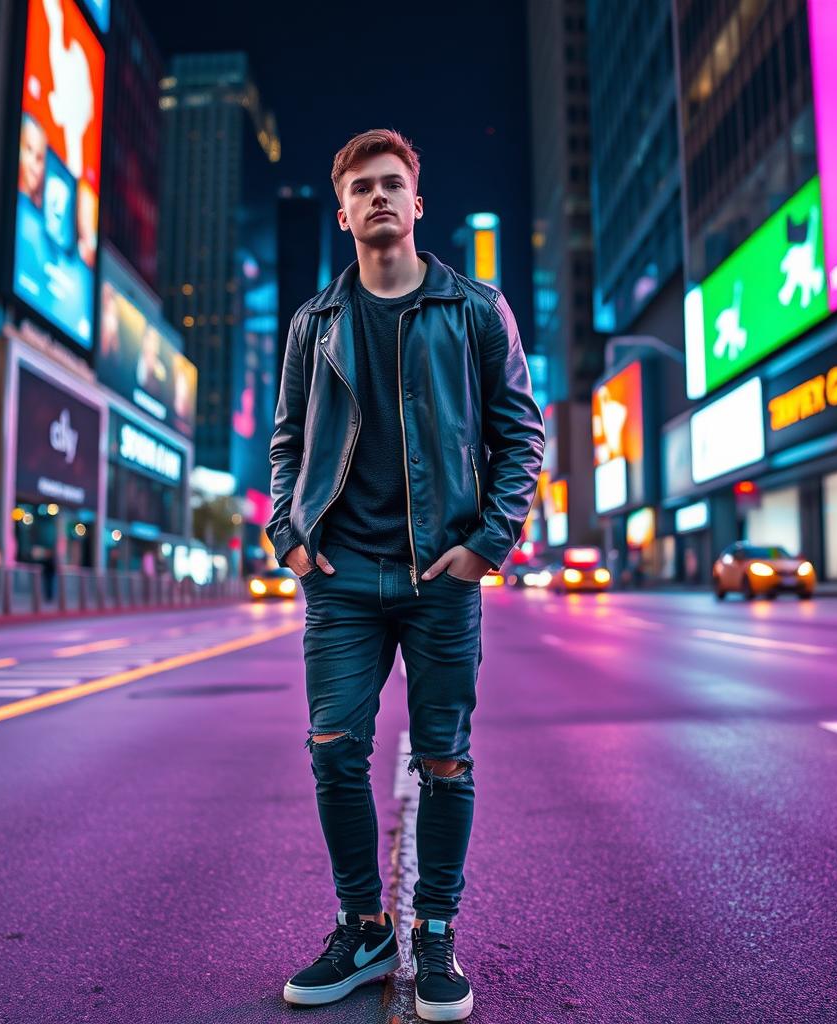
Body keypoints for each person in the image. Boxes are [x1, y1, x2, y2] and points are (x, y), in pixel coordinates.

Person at [267, 129, 544, 1021]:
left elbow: (521, 435)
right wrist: (291, 539)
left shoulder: (475, 309)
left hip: (440, 576)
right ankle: (364, 925)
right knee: (333, 752)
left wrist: (486, 543)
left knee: (445, 762)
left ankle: (434, 932)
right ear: (343, 211)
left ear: (418, 205)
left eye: (394, 185)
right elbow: (286, 443)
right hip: (341, 576)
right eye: (362, 188)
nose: (379, 198)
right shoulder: (314, 324)